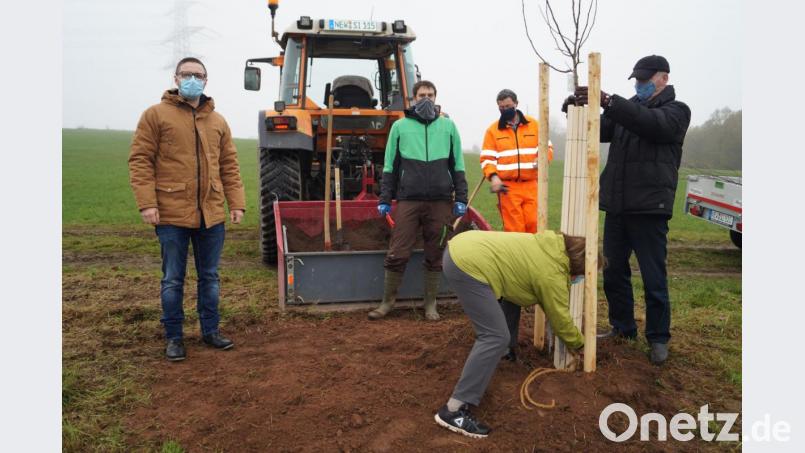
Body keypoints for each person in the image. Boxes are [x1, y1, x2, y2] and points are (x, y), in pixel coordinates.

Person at [569, 55, 691, 365]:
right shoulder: (627, 114)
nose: (639, 84)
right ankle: (623, 327)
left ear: (663, 78)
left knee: (653, 276)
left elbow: (652, 125)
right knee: (613, 271)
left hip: (650, 208)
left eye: (644, 79)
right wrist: (577, 108)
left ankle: (658, 337)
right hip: (618, 207)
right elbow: (600, 130)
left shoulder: (676, 112)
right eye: (636, 79)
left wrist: (610, 101)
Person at [128, 57, 246, 362]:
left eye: (199, 75)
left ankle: (210, 331)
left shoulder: (218, 121)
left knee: (210, 277)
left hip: (211, 214)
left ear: (206, 81)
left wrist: (237, 203)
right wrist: (147, 203)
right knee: (172, 279)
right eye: (187, 74)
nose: (193, 79)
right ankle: (174, 338)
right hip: (170, 213)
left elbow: (229, 165)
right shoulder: (155, 116)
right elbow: (140, 161)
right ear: (176, 78)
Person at [434, 230, 587, 438]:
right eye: (581, 275)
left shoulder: (551, 247)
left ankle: (505, 354)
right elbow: (560, 318)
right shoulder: (551, 274)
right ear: (575, 269)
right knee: (495, 336)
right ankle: (454, 410)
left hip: (464, 246)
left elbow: (517, 288)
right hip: (467, 265)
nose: (579, 280)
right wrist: (580, 345)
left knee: (512, 299)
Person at [368, 80, 468, 321]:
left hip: (440, 201)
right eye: (421, 95)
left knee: (436, 252)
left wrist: (461, 197)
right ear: (413, 99)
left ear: (436, 98)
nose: (426, 99)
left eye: (430, 95)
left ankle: (430, 304)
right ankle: (387, 303)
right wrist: (385, 197)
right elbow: (391, 165)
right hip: (408, 200)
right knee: (398, 251)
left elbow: (458, 165)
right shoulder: (400, 127)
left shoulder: (449, 127)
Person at [479, 89, 554, 362]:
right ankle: (518, 272)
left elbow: (547, 149)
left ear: (517, 105)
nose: (505, 110)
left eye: (508, 106)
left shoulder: (535, 125)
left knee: (535, 228)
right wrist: (494, 178)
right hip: (508, 188)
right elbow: (487, 158)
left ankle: (535, 269)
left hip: (533, 186)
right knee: (515, 235)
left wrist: (541, 160)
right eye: (500, 107)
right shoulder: (492, 131)